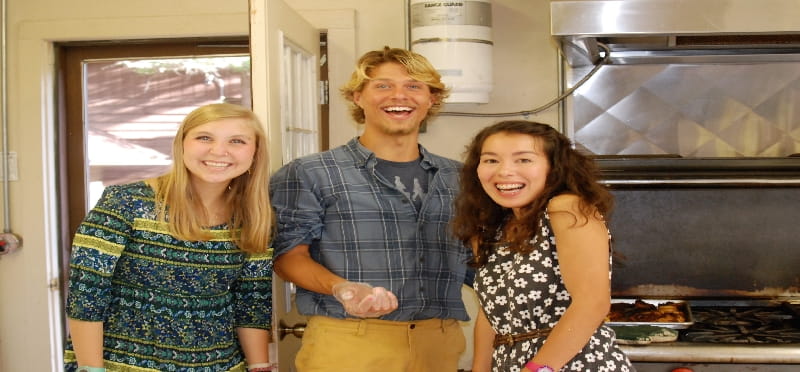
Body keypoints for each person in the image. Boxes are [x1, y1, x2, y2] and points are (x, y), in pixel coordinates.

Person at [270, 46, 471, 372]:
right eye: (382, 85)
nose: (399, 95)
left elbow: (479, 259)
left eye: (414, 86)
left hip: (440, 342)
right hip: (349, 341)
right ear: (357, 97)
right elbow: (288, 257)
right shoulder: (310, 173)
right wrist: (343, 288)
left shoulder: (461, 177)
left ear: (431, 99)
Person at [63, 103, 276, 372]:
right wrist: (90, 369)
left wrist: (259, 367)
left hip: (221, 365)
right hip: (120, 365)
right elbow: (87, 292)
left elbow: (251, 302)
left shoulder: (254, 219)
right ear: (182, 144)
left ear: (255, 153)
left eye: (237, 141)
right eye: (204, 137)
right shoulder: (126, 201)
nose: (219, 151)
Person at [452, 120, 635, 372]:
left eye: (524, 160)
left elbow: (592, 303)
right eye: (491, 160)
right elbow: (491, 314)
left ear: (554, 167)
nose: (504, 171)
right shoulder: (491, 227)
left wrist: (537, 369)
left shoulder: (566, 208)